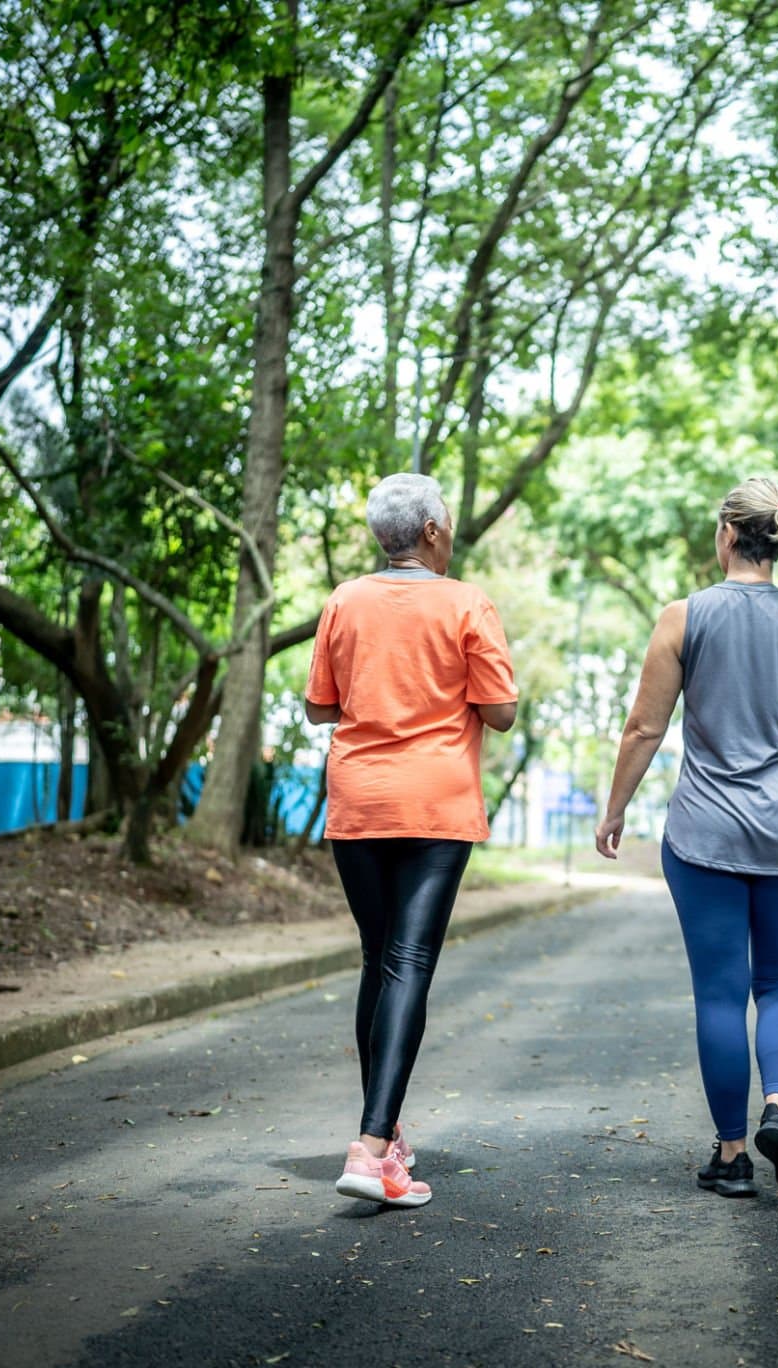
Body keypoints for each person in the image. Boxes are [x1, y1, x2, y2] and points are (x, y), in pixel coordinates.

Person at [595, 478, 778, 1198]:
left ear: (727, 534)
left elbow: (644, 727)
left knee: (720, 994)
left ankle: (730, 1156)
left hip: (704, 833)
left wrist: (616, 810)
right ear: (777, 540)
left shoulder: (682, 618)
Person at [304, 473, 519, 1210]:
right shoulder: (465, 602)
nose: (452, 531)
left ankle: (386, 1130)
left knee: (379, 959)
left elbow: (317, 707)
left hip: (358, 801)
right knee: (409, 962)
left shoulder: (343, 600)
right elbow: (500, 714)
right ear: (430, 531)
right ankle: (368, 1148)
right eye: (449, 522)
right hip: (433, 805)